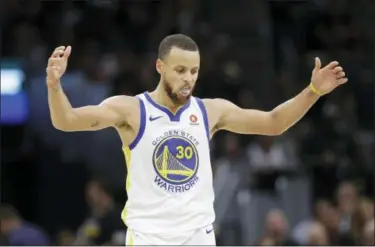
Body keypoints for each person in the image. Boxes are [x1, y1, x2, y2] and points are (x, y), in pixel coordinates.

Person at [46, 34, 347, 245]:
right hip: (150, 237)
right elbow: (67, 121)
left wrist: (313, 91)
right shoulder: (132, 109)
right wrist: (55, 86)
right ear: (160, 67)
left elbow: (273, 123)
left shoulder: (210, 111)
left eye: (194, 71)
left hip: (198, 236)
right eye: (180, 70)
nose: (188, 78)